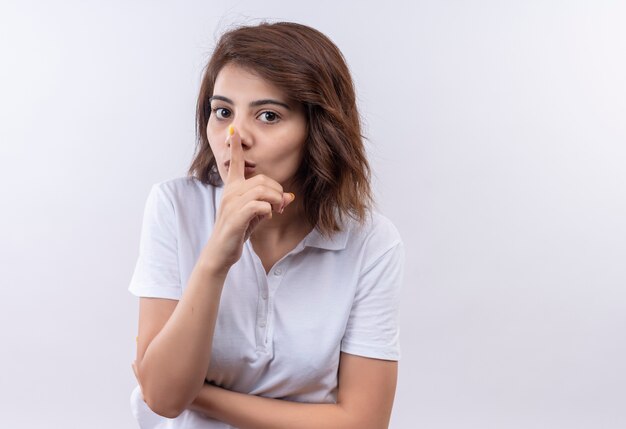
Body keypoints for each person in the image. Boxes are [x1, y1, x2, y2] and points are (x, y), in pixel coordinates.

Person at [128, 21, 405, 429]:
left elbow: (363, 422)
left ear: (319, 129)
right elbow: (164, 400)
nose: (234, 137)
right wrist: (216, 259)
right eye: (222, 112)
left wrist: (201, 395)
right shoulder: (175, 207)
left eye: (269, 115)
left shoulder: (371, 242)